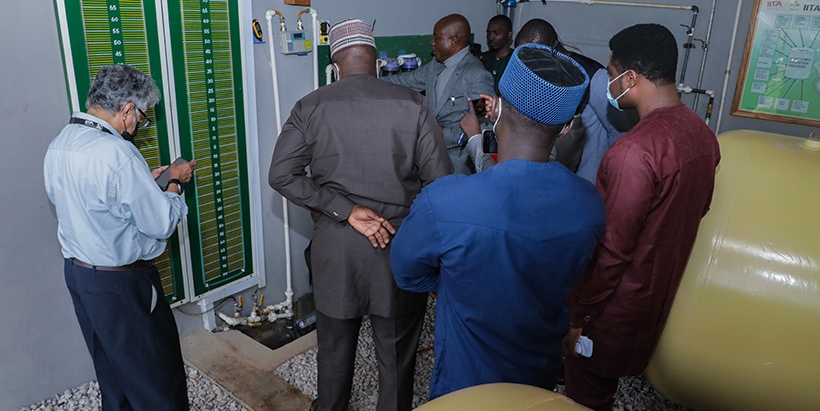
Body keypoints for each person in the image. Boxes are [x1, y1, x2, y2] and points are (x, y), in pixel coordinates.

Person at [390, 44, 606, 400]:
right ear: (567, 127)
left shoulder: (445, 201)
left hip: (466, 380)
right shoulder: (590, 204)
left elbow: (406, 272)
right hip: (538, 374)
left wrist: (455, 280)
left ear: (498, 108)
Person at [268, 18, 453, 411]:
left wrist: (346, 209)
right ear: (376, 62)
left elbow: (281, 174)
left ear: (335, 65)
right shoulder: (414, 105)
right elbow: (440, 186)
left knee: (333, 354)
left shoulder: (310, 106)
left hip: (336, 250)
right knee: (398, 354)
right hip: (398, 247)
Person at [561, 24, 721, 411]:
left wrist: (577, 317)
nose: (609, 83)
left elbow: (611, 251)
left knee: (587, 394)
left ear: (629, 77)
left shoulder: (633, 152)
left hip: (610, 312)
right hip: (654, 300)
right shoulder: (703, 136)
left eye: (611, 73)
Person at [43, 64, 197, 410]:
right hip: (122, 284)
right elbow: (161, 224)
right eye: (141, 115)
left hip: (80, 276)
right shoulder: (116, 153)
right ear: (127, 109)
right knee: (155, 374)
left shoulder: (60, 143)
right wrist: (173, 181)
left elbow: (88, 204)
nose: (139, 123)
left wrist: (143, 179)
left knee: (114, 370)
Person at [383, 13, 494, 175]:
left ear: (453, 41)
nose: (432, 42)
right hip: (432, 159)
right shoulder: (435, 66)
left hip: (459, 168)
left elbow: (486, 127)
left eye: (436, 38)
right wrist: (369, 80)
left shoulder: (476, 75)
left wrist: (444, 133)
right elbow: (404, 81)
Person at [480, 14, 514, 94]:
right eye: (489, 33)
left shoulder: (516, 61)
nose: (491, 37)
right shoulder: (483, 59)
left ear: (509, 34)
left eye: (496, 33)